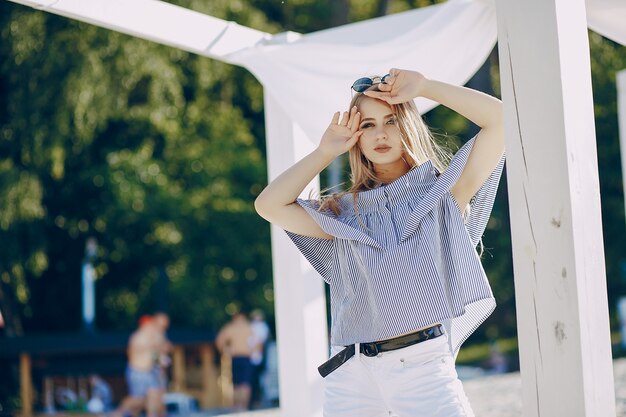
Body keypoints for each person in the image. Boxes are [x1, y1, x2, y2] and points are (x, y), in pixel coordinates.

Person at [254, 68, 505, 417]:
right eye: (367, 125)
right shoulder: (341, 213)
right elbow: (268, 205)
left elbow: (501, 120)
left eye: (391, 120)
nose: (380, 133)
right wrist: (325, 152)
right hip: (351, 371)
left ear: (409, 126)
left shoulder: (441, 193)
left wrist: (426, 87)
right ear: (356, 135)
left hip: (421, 365)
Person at [113, 314, 171, 417]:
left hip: (148, 372)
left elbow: (153, 354)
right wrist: (160, 354)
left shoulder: (153, 336)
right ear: (146, 325)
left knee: (155, 395)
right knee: (138, 400)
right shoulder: (139, 337)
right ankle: (117, 414)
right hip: (138, 372)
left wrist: (160, 359)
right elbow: (141, 353)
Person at [215, 311, 255, 411]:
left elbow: (219, 341)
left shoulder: (230, 327)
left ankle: (238, 406)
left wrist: (225, 351)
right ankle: (244, 406)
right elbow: (256, 342)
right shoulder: (248, 327)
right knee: (245, 383)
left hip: (236, 357)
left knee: (237, 383)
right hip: (246, 357)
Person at [249, 309, 270, 409]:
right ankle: (255, 401)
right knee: (255, 380)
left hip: (257, 357)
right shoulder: (258, 326)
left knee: (257, 380)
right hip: (254, 356)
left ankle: (257, 401)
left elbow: (261, 342)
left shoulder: (261, 327)